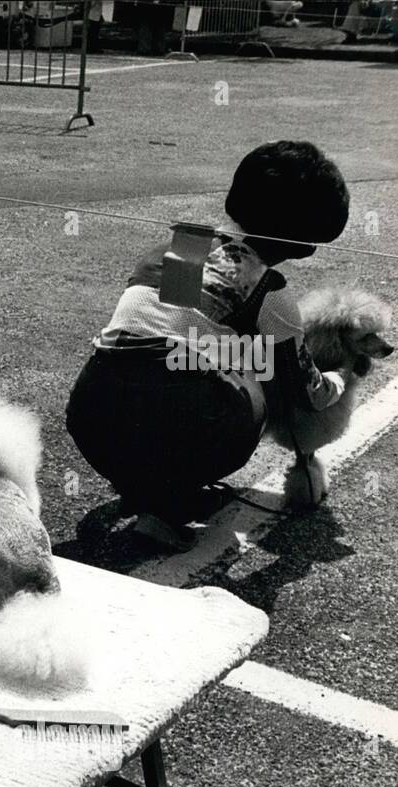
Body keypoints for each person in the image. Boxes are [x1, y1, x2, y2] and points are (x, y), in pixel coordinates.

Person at [65, 141, 352, 550]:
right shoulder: (271, 293)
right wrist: (340, 378)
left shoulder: (181, 246)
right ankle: (165, 510)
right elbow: (307, 390)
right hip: (170, 408)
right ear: (305, 245)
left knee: (179, 365)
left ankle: (144, 485)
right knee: (248, 395)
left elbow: (169, 329)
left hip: (91, 410)